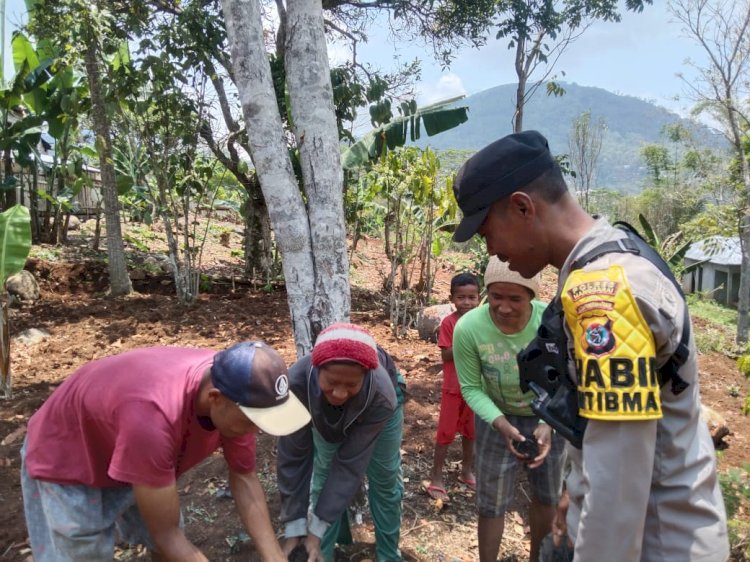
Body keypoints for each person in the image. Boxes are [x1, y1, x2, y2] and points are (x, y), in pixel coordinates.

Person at [452, 130, 729, 561]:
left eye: (487, 232)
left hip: (651, 541)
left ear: (522, 207)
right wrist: (576, 493)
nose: (492, 250)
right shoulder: (616, 257)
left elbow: (618, 485)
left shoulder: (605, 296)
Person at [21, 341, 311, 562]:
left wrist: (275, 558)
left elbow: (244, 477)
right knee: (83, 550)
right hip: (69, 455)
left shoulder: (242, 395)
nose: (256, 431)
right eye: (252, 422)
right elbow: (167, 535)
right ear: (215, 399)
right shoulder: (153, 418)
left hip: (131, 447)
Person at [453, 257, 566, 562]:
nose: (504, 307)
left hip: (550, 417)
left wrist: (550, 422)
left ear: (532, 295)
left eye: (515, 298)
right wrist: (499, 423)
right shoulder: (469, 328)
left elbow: (571, 377)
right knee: (491, 503)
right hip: (496, 418)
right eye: (496, 297)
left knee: (548, 497)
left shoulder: (552, 323)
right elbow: (471, 387)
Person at [277, 323, 405, 562]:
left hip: (378, 415)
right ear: (316, 369)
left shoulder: (382, 395)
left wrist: (315, 528)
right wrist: (295, 529)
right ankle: (320, 552)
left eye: (350, 385)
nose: (339, 393)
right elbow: (293, 456)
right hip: (323, 413)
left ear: (365, 376)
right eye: (332, 382)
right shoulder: (296, 384)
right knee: (324, 473)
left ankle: (388, 555)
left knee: (384, 480)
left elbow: (350, 464)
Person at [426, 272, 480, 502]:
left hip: (476, 388)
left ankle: (466, 470)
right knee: (445, 433)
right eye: (461, 297)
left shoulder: (482, 322)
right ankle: (436, 477)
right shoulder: (449, 323)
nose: (466, 303)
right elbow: (446, 355)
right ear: (452, 298)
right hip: (453, 387)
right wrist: (467, 341)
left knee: (471, 432)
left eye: (471, 297)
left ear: (479, 298)